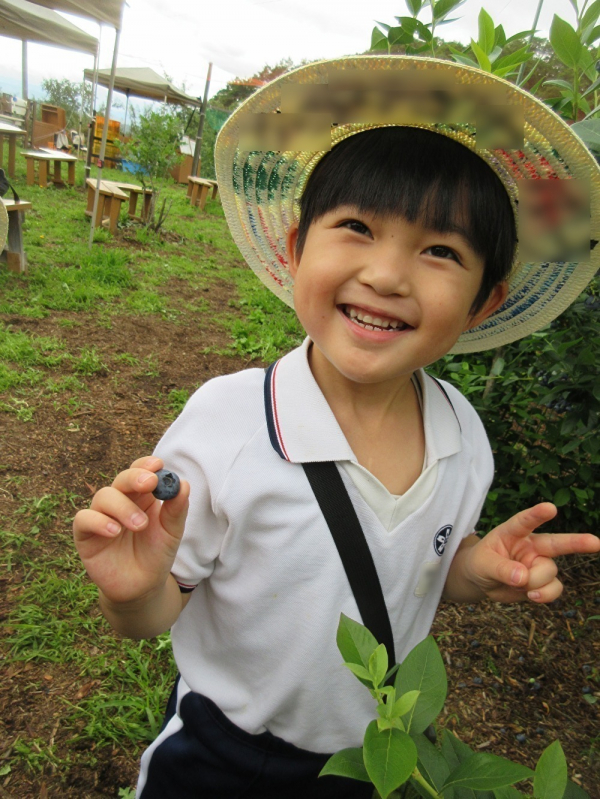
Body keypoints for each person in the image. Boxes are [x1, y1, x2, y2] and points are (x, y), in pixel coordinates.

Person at [73, 56, 600, 799]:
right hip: (223, 752)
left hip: (372, 757)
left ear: (484, 302)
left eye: (441, 252)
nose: (386, 274)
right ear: (295, 251)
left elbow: (417, 566)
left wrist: (473, 570)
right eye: (356, 227)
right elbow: (158, 605)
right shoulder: (229, 425)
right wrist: (132, 593)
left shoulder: (462, 437)